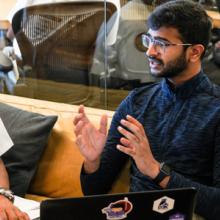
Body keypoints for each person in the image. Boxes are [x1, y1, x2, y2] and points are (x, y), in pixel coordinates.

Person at [74, 0, 220, 219]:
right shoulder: (137, 102)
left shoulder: (215, 110)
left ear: (195, 52)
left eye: (162, 43)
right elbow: (94, 191)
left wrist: (155, 170)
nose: (150, 51)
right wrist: (93, 161)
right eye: (149, 39)